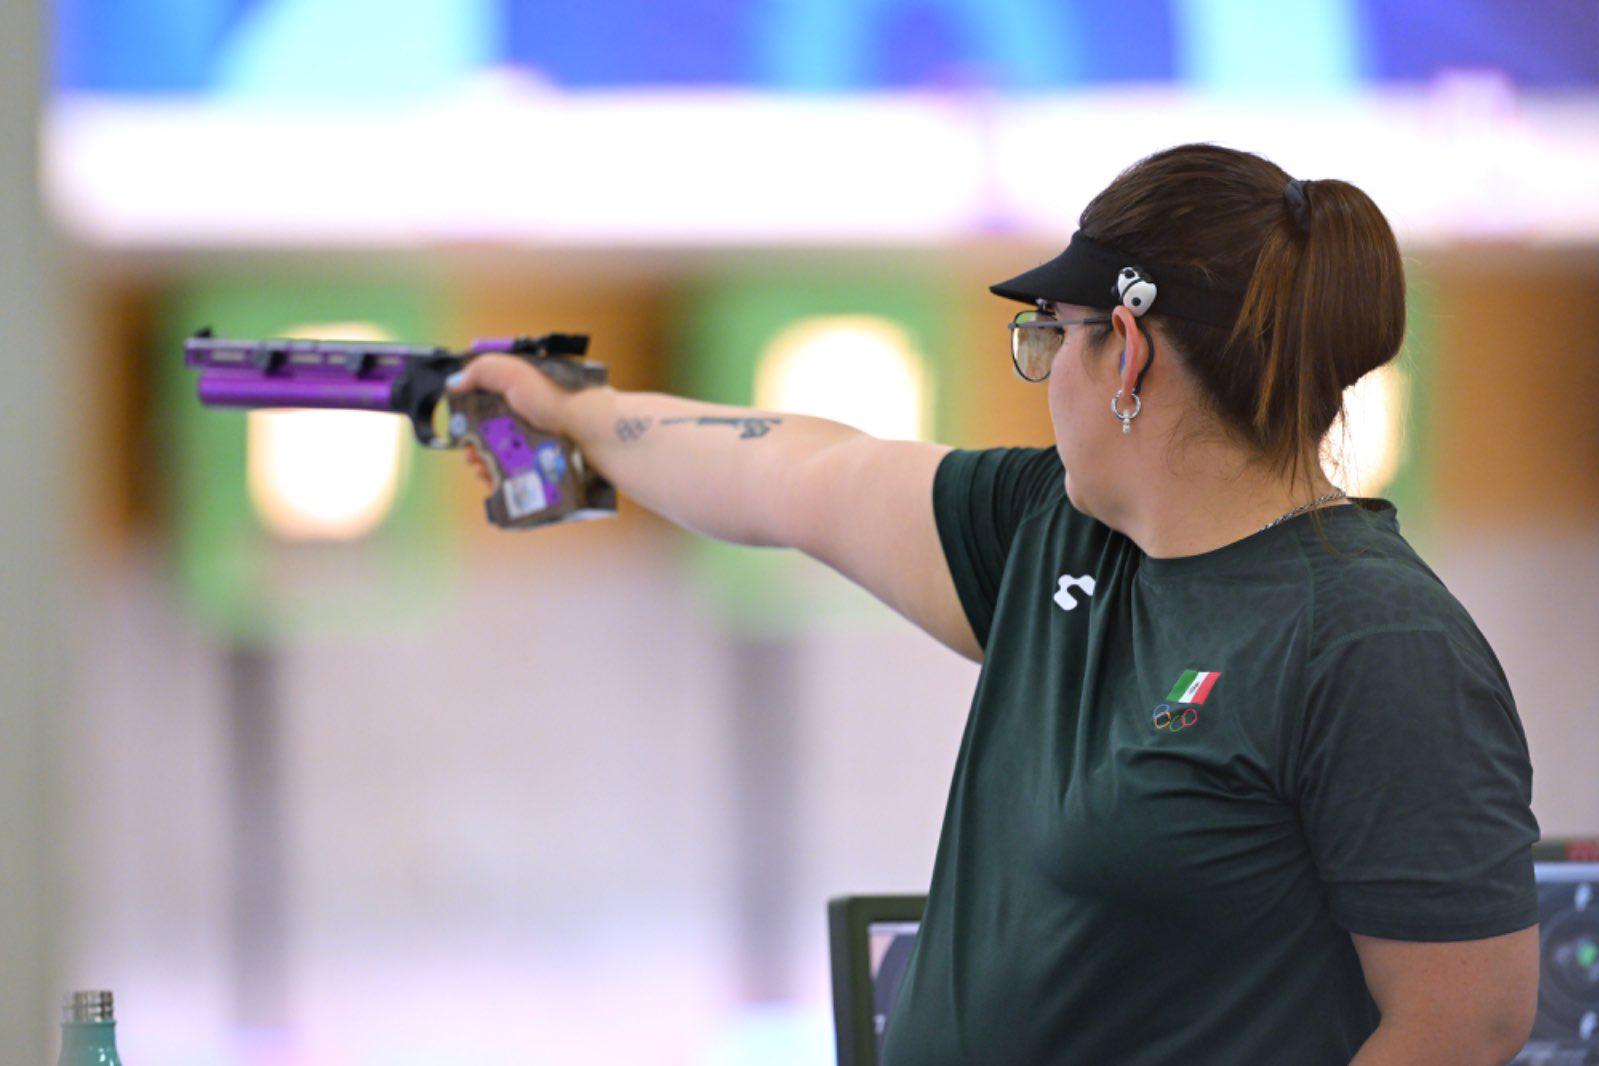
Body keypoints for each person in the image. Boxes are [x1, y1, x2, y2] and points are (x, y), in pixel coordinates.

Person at [449, 143, 1542, 1064]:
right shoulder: (1046, 533)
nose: (1044, 366)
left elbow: (1467, 1020)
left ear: (1127, 351)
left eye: (1050, 332)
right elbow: (795, 474)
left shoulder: (1371, 641)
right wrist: (576, 414)